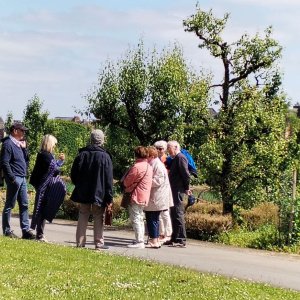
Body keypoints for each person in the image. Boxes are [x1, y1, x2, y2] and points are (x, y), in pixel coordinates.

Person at [70, 129, 113, 250]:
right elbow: (109, 179)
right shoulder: (105, 156)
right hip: (99, 192)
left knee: (83, 214)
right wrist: (109, 196)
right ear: (102, 140)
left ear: (91, 139)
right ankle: (98, 243)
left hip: (83, 191)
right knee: (98, 216)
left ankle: (80, 242)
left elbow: (74, 174)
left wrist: (79, 184)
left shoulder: (82, 154)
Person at [0, 122, 34, 239]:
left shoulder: (19, 144)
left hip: (22, 177)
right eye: (22, 131)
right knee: (10, 204)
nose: (24, 133)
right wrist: (12, 179)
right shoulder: (8, 144)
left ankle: (25, 231)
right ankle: (7, 231)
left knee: (24, 204)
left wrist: (24, 149)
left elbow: (26, 160)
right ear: (15, 131)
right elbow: (4, 162)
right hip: (14, 178)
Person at [29, 134, 65, 242]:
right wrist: (60, 163)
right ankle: (39, 234)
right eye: (54, 144)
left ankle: (39, 234)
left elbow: (53, 168)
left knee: (42, 208)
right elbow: (55, 170)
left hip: (44, 185)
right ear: (49, 144)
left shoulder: (46, 155)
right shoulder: (45, 155)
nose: (54, 146)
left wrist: (60, 161)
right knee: (41, 209)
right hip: (43, 185)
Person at [122, 146, 153, 249]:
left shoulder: (137, 167)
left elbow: (127, 182)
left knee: (135, 218)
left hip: (135, 195)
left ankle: (139, 241)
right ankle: (140, 239)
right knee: (140, 217)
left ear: (136, 155)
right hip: (144, 195)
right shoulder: (149, 166)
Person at [144, 146, 173, 248]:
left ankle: (154, 241)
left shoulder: (157, 165)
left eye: (147, 155)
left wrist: (145, 182)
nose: (145, 157)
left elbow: (158, 181)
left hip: (157, 197)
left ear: (151, 156)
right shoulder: (154, 163)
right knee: (153, 218)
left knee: (152, 218)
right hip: (156, 197)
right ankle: (154, 239)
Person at [164, 140, 191, 247]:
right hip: (174, 189)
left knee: (178, 213)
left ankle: (181, 239)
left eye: (169, 148)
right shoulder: (176, 158)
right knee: (173, 213)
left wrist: (186, 187)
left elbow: (186, 174)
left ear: (175, 147)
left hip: (178, 189)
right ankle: (174, 237)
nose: (168, 150)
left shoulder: (180, 158)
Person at [153, 140, 173, 243]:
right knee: (159, 213)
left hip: (165, 188)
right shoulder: (156, 159)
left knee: (165, 212)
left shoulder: (167, 160)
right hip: (159, 190)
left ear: (164, 149)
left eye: (160, 149)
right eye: (156, 148)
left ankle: (168, 234)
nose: (159, 150)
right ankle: (161, 233)